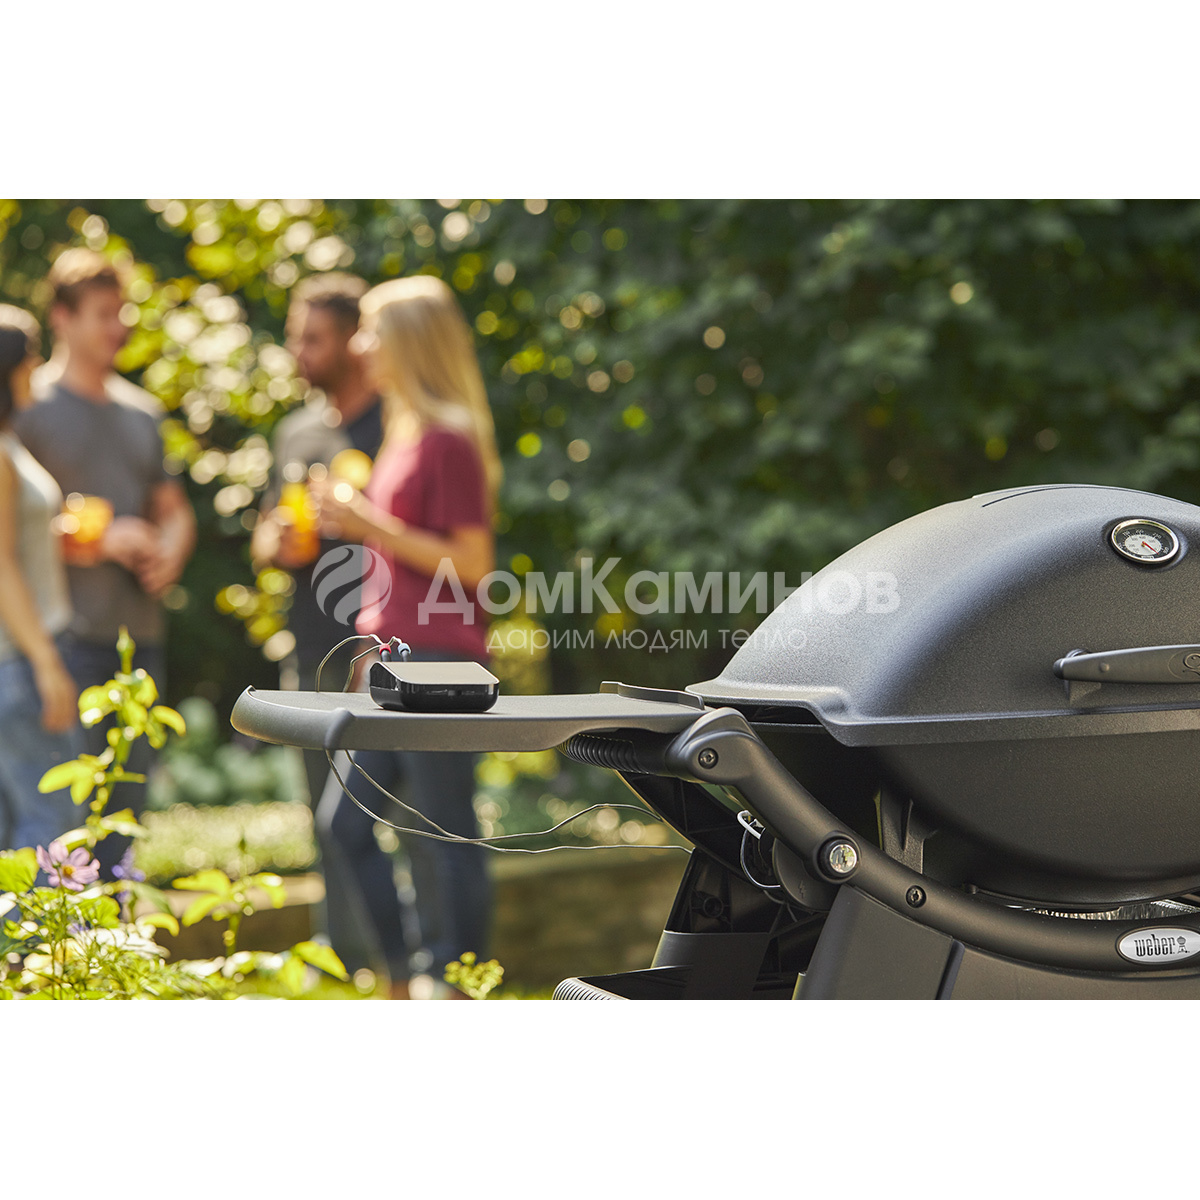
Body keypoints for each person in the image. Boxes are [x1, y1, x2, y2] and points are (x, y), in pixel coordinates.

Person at [313, 275, 501, 999]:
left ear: (408, 342)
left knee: (445, 828)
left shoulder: (449, 439)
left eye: (370, 330)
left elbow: (472, 564)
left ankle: (451, 983)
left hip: (439, 658)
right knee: (346, 824)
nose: (359, 345)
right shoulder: (403, 435)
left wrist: (367, 523)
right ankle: (403, 977)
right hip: (391, 656)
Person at [15, 249, 196, 874]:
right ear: (62, 318)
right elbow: (13, 532)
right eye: (102, 313)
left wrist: (170, 548)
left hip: (138, 644)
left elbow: (174, 510)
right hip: (61, 644)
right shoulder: (27, 405)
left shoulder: (142, 412)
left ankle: (114, 932)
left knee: (123, 825)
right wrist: (97, 540)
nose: (118, 326)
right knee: (60, 829)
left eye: (122, 312)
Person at [250, 272, 386, 974]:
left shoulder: (395, 425)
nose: (298, 352)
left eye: (314, 338)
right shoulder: (294, 431)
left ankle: (417, 958)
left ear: (355, 340)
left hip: (389, 652)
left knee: (398, 812)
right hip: (312, 651)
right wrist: (275, 542)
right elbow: (264, 534)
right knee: (326, 816)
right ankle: (348, 959)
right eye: (294, 337)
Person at [0, 306, 83, 855]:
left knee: (15, 830)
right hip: (20, 661)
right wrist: (47, 663)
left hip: (15, 659)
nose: (38, 368)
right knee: (50, 827)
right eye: (30, 359)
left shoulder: (9, 442)